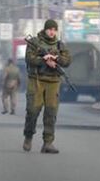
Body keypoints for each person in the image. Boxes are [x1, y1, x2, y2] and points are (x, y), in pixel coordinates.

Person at [23, 19, 71, 154]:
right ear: (45, 29)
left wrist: (56, 59)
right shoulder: (35, 42)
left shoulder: (60, 45)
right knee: (32, 111)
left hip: (53, 81)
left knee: (51, 113)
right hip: (37, 80)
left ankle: (48, 143)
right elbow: (29, 59)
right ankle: (28, 135)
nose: (52, 32)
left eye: (54, 29)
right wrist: (44, 60)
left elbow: (67, 61)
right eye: (50, 29)